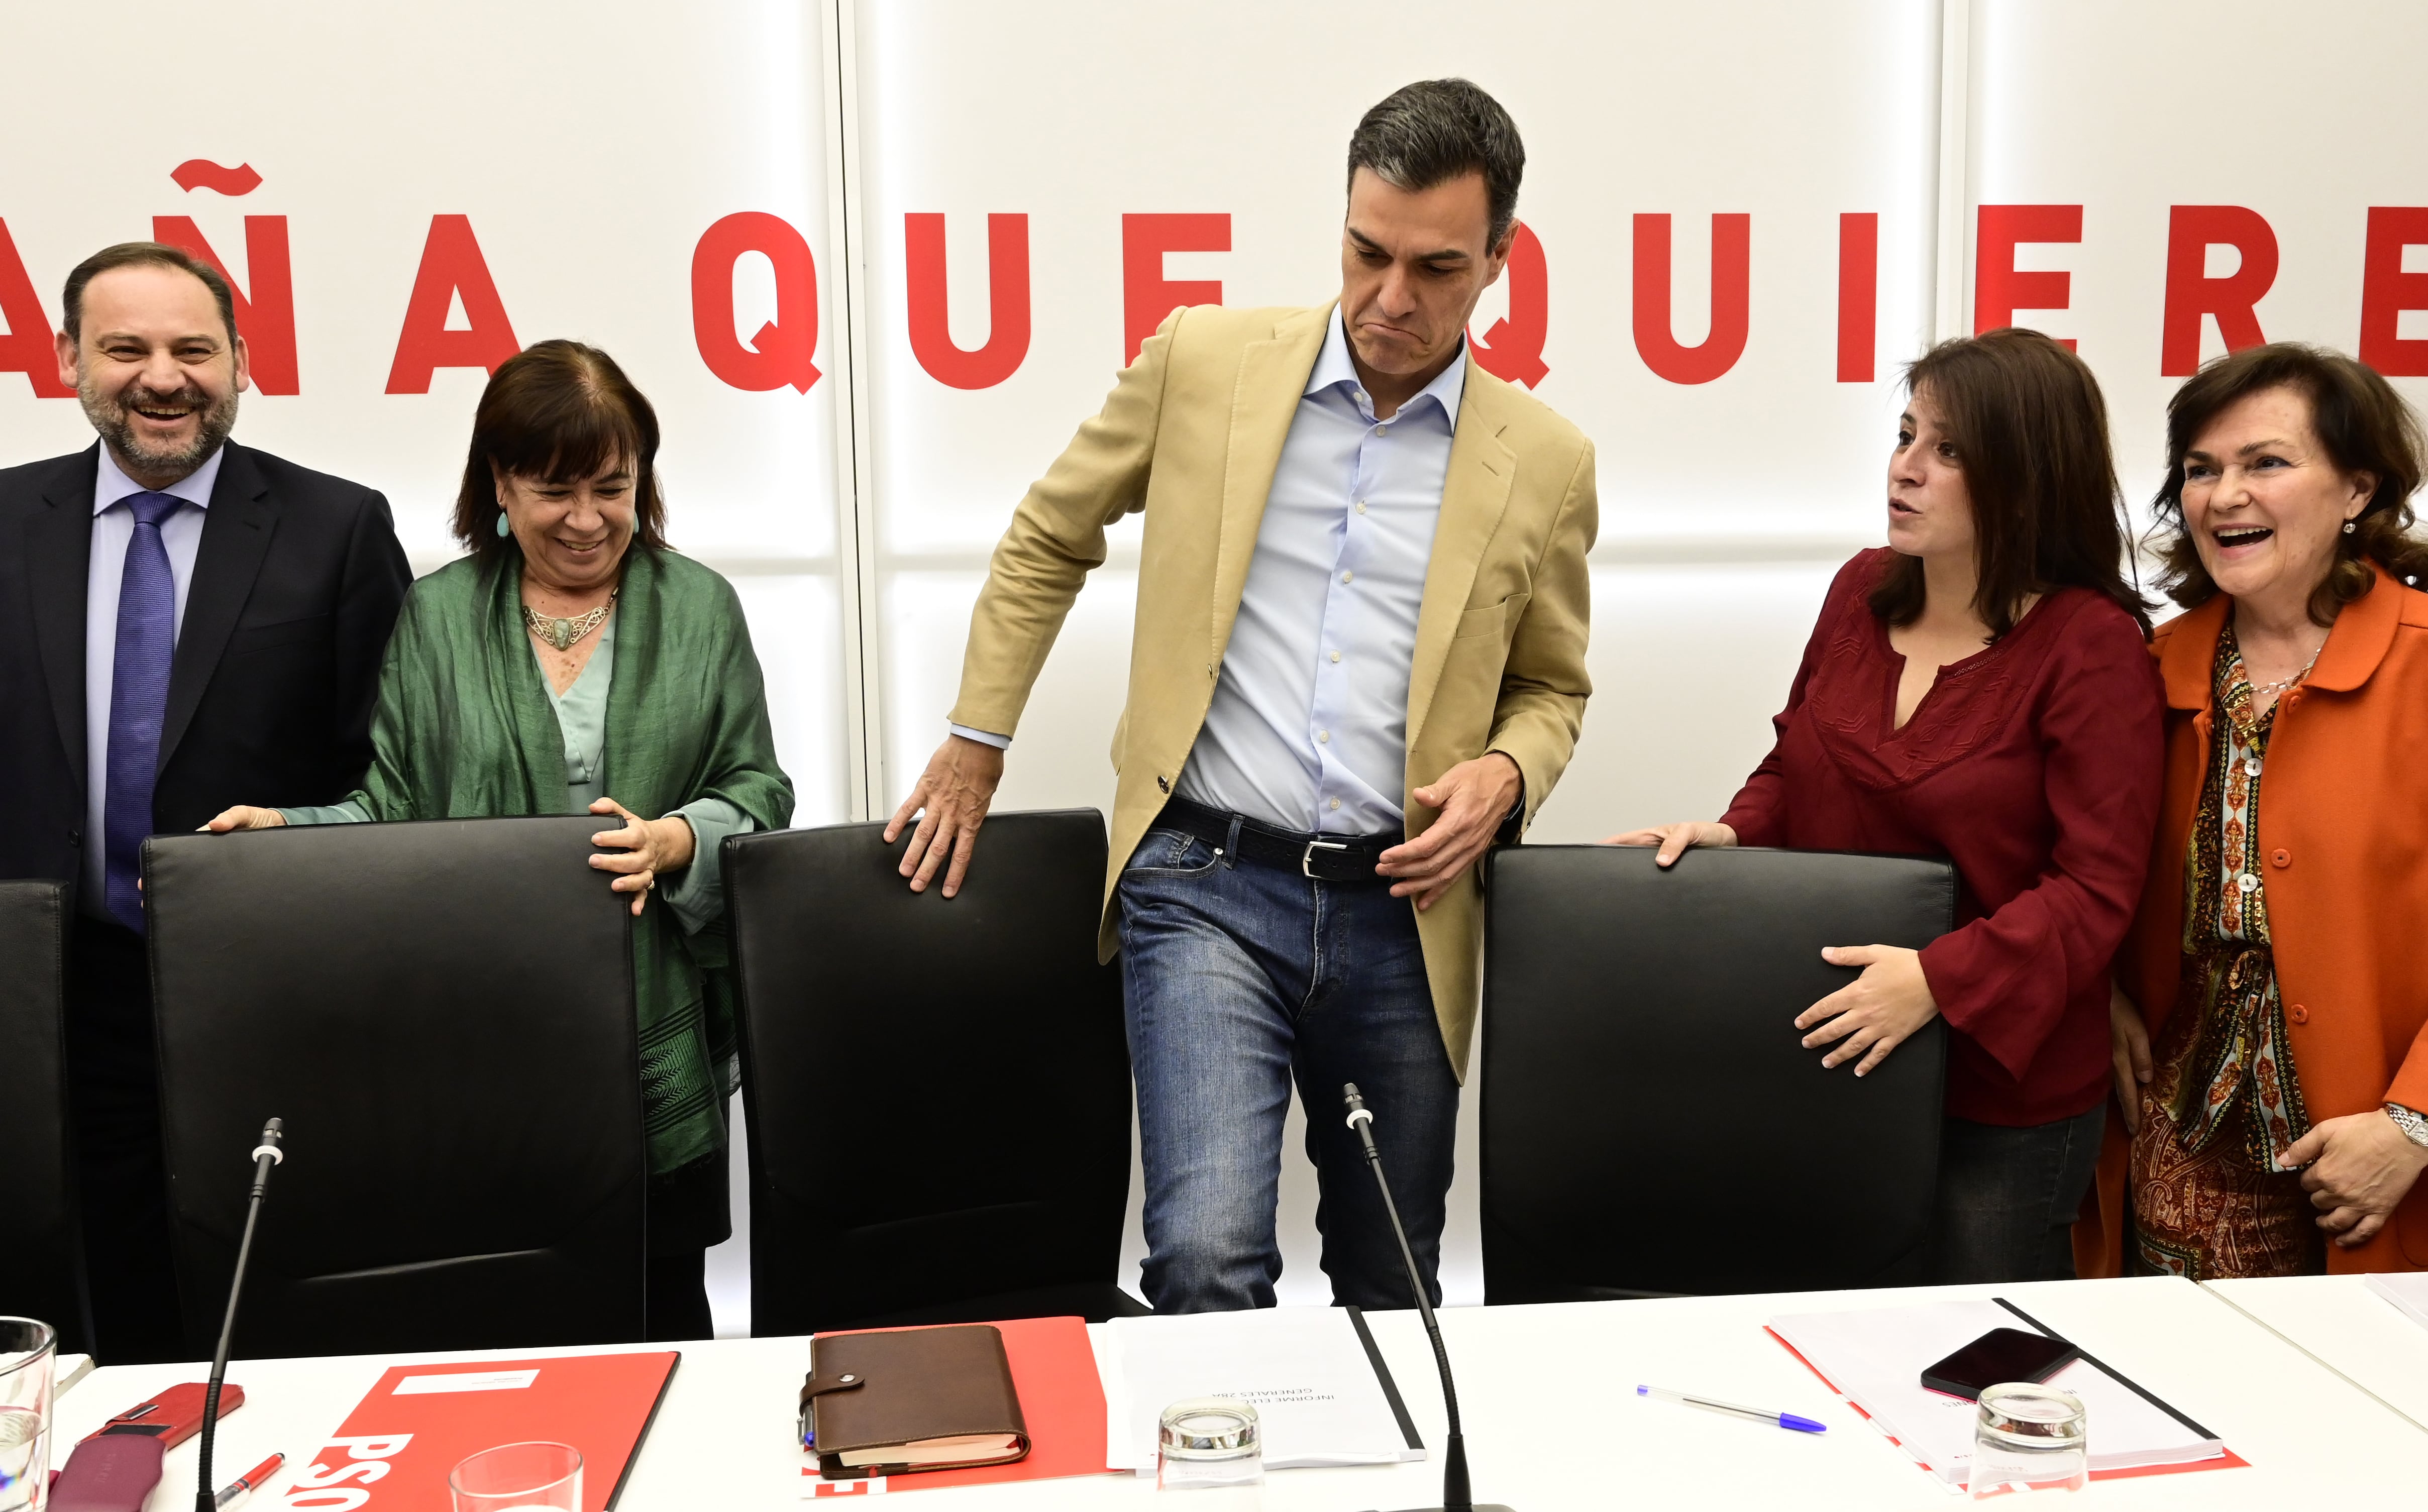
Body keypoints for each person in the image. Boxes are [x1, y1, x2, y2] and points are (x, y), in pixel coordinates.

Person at [883, 79, 1596, 1313]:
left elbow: (1548, 686)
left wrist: (1509, 771)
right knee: (1205, 1260)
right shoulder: (1203, 361)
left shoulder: (1544, 459)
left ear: (1499, 260)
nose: (1390, 298)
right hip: (1203, 883)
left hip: (1403, 913)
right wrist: (974, 738)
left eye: (1434, 267)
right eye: (1366, 251)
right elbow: (1051, 532)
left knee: (1394, 1277)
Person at [204, 340, 792, 1335]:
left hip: (654, 1022)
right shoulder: (437, 614)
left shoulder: (700, 607)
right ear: (499, 485)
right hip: (489, 1031)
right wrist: (286, 831)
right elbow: (390, 810)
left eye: (614, 486)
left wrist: (680, 838)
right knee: (508, 1317)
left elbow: (758, 787)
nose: (588, 519)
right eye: (554, 489)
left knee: (664, 1315)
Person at [1610, 329, 2164, 1283]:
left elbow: (2095, 888)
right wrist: (1732, 829)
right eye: (1906, 436)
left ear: (2026, 475)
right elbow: (1798, 761)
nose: (1906, 469)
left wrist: (1940, 982)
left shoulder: (2092, 646)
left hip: (2001, 1095)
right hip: (1838, 1054)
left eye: (1948, 451)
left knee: (1971, 1373)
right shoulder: (1859, 588)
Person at [0, 243, 409, 1361]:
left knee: (285, 1297)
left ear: (242, 358)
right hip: (57, 999)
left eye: (193, 347)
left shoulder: (338, 528)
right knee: (99, 1306)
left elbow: (392, 775)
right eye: (125, 347)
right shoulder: (4, 523)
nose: (163, 376)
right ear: (67, 359)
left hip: (277, 990)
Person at [2084, 344, 2428, 1278]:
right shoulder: (2143, 671)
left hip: (2389, 1156)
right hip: (2180, 1139)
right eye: (2201, 470)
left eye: (2265, 463)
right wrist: (2102, 992)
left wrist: (2414, 1124)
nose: (2223, 495)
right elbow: (2079, 873)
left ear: (2358, 490)